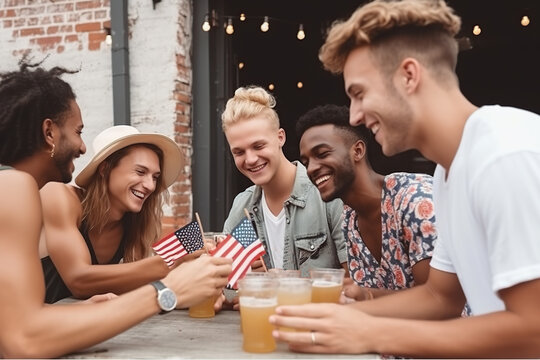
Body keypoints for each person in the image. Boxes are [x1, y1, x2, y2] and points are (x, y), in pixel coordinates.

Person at [270, 0, 540, 357]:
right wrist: (328, 318)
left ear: (409, 76)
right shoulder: (447, 173)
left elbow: (533, 329)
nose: (355, 115)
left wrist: (371, 332)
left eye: (359, 93)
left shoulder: (503, 155)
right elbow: (440, 297)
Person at [0, 60, 231, 358]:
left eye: (155, 177)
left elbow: (13, 317)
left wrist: (76, 314)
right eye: (78, 131)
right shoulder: (14, 186)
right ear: (49, 133)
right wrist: (167, 290)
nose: (83, 148)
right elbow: (22, 340)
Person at [40, 125, 202, 303]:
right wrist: (168, 263)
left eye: (155, 177)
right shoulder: (59, 196)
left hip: (89, 327)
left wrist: (196, 290)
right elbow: (79, 280)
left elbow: (135, 287)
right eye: (140, 172)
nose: (150, 185)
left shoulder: (134, 223)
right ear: (105, 169)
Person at [296, 104, 436, 301]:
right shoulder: (350, 219)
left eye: (322, 154)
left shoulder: (415, 200)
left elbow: (437, 303)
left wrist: (367, 295)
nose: (311, 168)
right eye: (305, 162)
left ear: (358, 151)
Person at [221, 86, 348, 278]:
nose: (250, 159)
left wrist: (287, 283)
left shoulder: (327, 193)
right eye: (239, 152)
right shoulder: (241, 207)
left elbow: (356, 280)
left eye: (258, 146)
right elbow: (228, 285)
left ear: (280, 137)